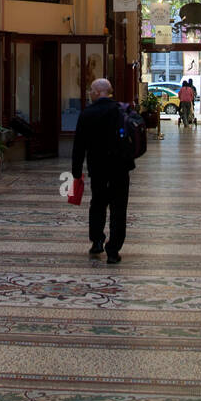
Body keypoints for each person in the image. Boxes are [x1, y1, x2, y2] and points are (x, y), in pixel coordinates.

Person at [71, 78, 133, 264]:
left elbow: (79, 145)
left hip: (97, 168)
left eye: (91, 90)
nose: (89, 93)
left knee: (97, 203)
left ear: (98, 92)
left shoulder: (87, 113)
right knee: (118, 208)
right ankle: (113, 250)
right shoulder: (121, 111)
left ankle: (97, 241)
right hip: (120, 168)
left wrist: (76, 171)